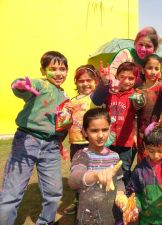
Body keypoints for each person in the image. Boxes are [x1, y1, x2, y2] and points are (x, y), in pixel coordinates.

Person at [0, 51, 69, 225]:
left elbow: (60, 122)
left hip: (51, 145)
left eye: (62, 68)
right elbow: (20, 86)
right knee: (11, 195)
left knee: (54, 194)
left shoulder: (64, 95)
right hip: (27, 141)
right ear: (43, 70)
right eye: (53, 68)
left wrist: (60, 141)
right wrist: (21, 85)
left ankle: (46, 221)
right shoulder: (40, 85)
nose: (59, 73)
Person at [68, 107, 127, 225]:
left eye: (104, 130)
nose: (100, 135)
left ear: (110, 129)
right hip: (88, 218)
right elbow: (73, 180)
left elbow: (119, 181)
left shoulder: (114, 156)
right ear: (85, 132)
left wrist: (120, 194)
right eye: (94, 131)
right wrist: (95, 175)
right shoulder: (82, 155)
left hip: (111, 216)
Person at [91, 62, 139, 188]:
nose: (126, 81)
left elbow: (138, 116)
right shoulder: (109, 91)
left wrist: (135, 134)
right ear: (116, 76)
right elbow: (96, 100)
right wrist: (104, 82)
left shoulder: (135, 95)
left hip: (126, 143)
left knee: (124, 170)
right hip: (108, 141)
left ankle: (125, 194)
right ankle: (107, 193)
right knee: (107, 167)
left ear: (136, 79)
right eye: (122, 77)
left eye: (131, 78)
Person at [63, 64, 99, 215]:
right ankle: (78, 200)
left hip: (92, 143)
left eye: (89, 80)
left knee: (93, 173)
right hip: (75, 144)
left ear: (95, 81)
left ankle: (94, 201)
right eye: (81, 81)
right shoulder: (71, 101)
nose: (85, 83)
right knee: (77, 174)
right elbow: (65, 121)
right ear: (76, 83)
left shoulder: (95, 98)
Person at [131, 54, 162, 163]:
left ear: (160, 72)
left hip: (160, 133)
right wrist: (134, 134)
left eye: (157, 68)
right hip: (143, 135)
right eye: (150, 68)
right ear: (143, 70)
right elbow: (134, 114)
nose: (153, 71)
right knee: (145, 164)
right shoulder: (138, 91)